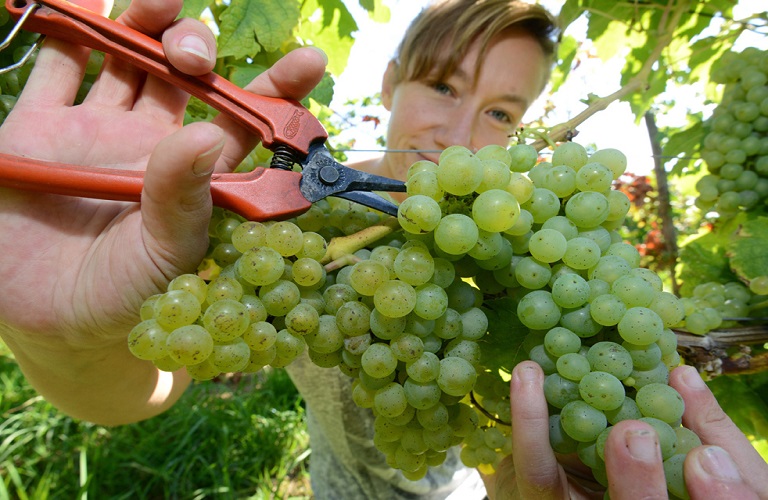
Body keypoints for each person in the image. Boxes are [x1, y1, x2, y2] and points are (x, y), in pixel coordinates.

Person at [0, 0, 764, 499]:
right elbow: (148, 386)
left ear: (533, 126)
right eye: (440, 87)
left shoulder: (526, 249)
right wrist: (59, 335)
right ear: (392, 79)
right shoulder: (288, 227)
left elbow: (529, 431)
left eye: (502, 112)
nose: (459, 137)